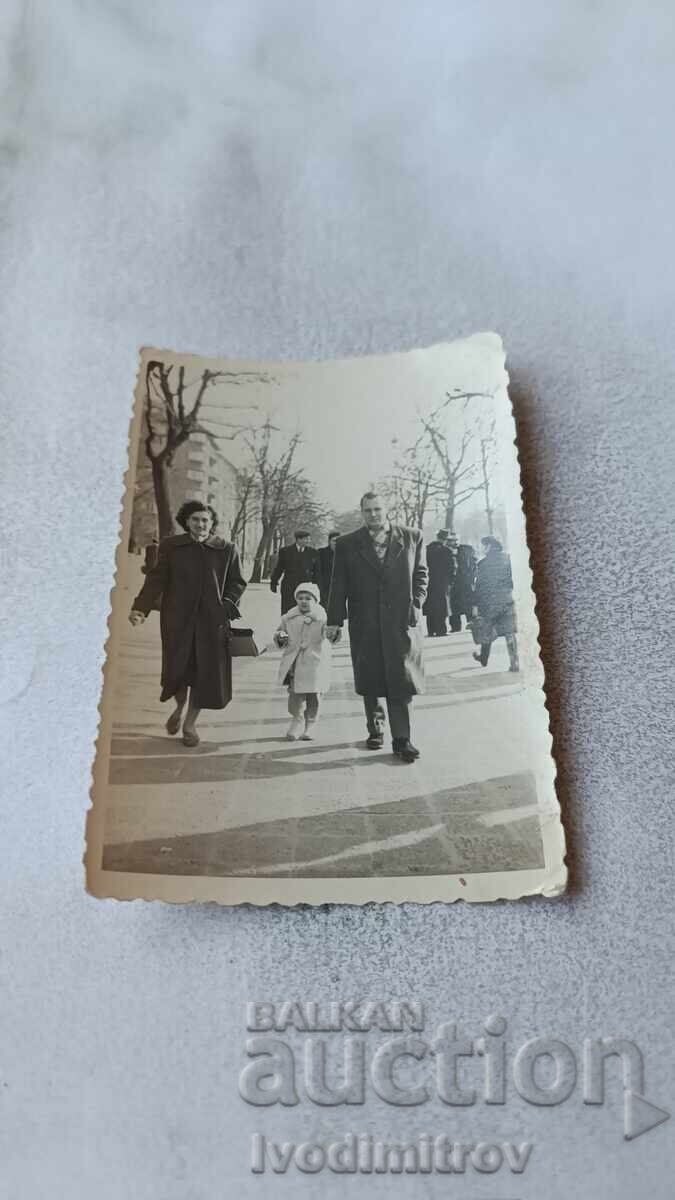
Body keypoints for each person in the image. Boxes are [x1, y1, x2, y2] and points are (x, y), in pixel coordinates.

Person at [128, 500, 247, 747]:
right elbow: (156, 579)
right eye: (195, 519)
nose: (200, 524)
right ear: (187, 521)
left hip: (211, 623)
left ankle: (190, 724)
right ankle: (179, 707)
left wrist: (226, 604)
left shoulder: (226, 549)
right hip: (177, 620)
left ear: (212, 523)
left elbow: (237, 582)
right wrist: (140, 608)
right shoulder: (172, 547)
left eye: (205, 520)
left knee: (204, 674)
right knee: (178, 671)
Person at [326, 491, 428, 763]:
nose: (373, 514)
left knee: (401, 678)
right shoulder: (348, 543)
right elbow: (338, 583)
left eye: (377, 509)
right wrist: (334, 621)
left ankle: (402, 739)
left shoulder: (412, 536)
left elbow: (421, 573)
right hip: (365, 620)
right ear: (362, 512)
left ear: (387, 509)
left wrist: (417, 603)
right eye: (368, 510)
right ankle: (376, 728)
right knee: (370, 676)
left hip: (401, 621)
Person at [274, 582, 331, 741]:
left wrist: (331, 633)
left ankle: (311, 723)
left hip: (315, 662)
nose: (303, 601)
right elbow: (280, 632)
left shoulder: (322, 617)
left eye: (308, 598)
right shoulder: (289, 617)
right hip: (296, 662)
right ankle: (296, 719)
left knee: (314, 694)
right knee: (295, 695)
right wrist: (281, 637)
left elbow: (329, 635)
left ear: (315, 600)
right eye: (300, 598)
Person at [472, 535, 519, 671]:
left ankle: (483, 658)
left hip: (489, 602)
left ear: (489, 546)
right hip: (507, 600)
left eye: (483, 545)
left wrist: (475, 605)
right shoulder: (508, 559)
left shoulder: (483, 564)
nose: (482, 548)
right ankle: (514, 662)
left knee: (486, 629)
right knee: (509, 632)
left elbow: (479, 586)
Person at [270, 530, 320, 614]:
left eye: (309, 539)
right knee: (287, 610)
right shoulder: (285, 551)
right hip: (289, 586)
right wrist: (274, 582)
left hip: (305, 587)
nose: (308, 541)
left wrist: (316, 585)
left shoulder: (313, 552)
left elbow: (317, 571)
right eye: (306, 539)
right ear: (298, 539)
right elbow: (279, 568)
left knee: (304, 611)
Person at [422, 529, 455, 636]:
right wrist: (450, 581)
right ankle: (441, 630)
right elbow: (452, 568)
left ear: (437, 537)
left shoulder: (427, 549)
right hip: (442, 582)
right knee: (441, 606)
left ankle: (431, 630)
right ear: (445, 539)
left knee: (430, 605)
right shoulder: (447, 551)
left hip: (428, 581)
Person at [450, 543, 477, 631]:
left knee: (455, 607)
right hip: (468, 586)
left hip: (457, 586)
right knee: (469, 606)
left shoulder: (456, 558)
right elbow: (474, 573)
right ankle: (472, 623)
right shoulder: (472, 560)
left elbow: (453, 571)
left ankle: (456, 627)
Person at [318, 530, 340, 607]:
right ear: (329, 541)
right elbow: (318, 571)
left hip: (339, 588)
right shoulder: (321, 552)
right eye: (334, 540)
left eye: (338, 541)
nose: (336, 543)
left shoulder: (344, 554)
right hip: (325, 587)